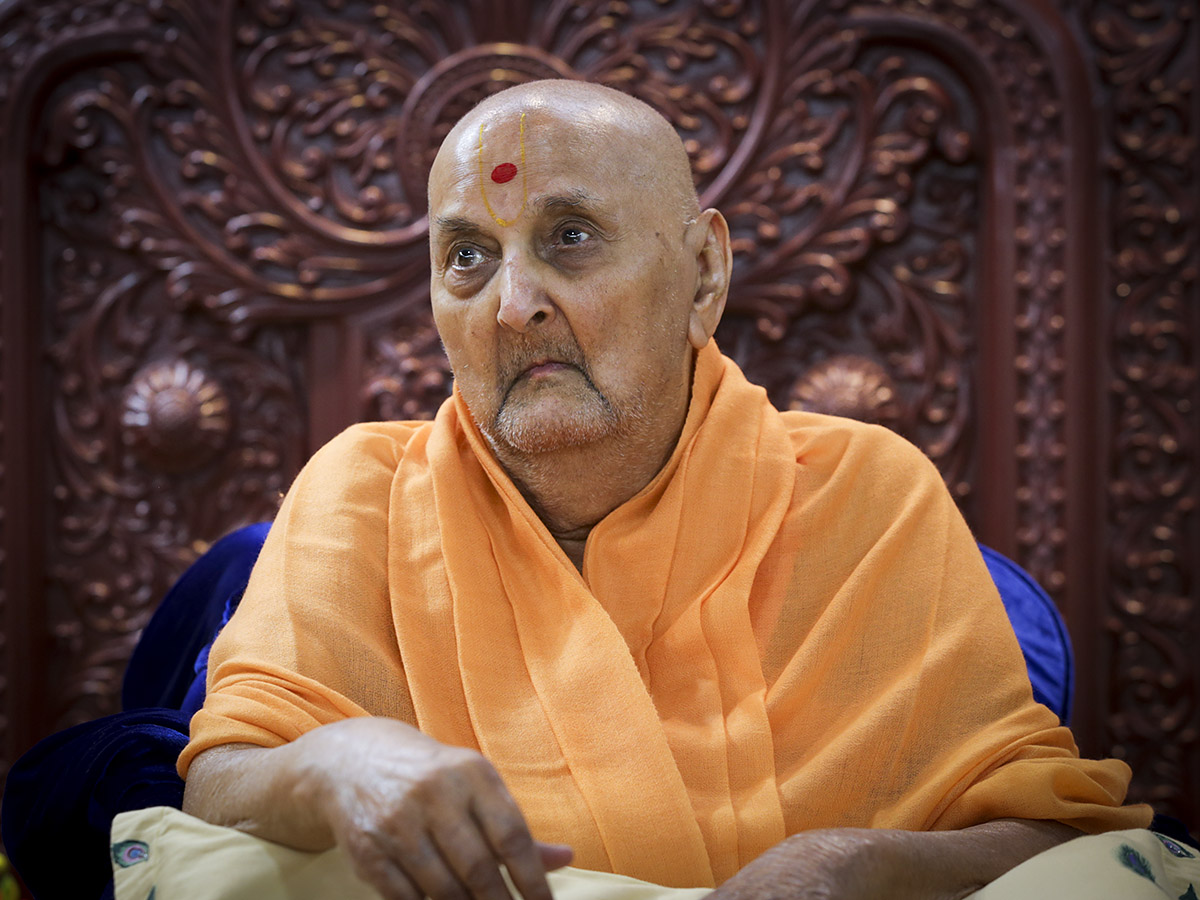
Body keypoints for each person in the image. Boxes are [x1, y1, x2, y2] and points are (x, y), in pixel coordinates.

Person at [179, 79, 1151, 900]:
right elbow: (221, 778)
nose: (513, 306)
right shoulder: (362, 490)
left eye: (569, 236)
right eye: (466, 256)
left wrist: (854, 865)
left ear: (702, 273)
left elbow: (1048, 835)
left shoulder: (865, 490)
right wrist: (339, 762)